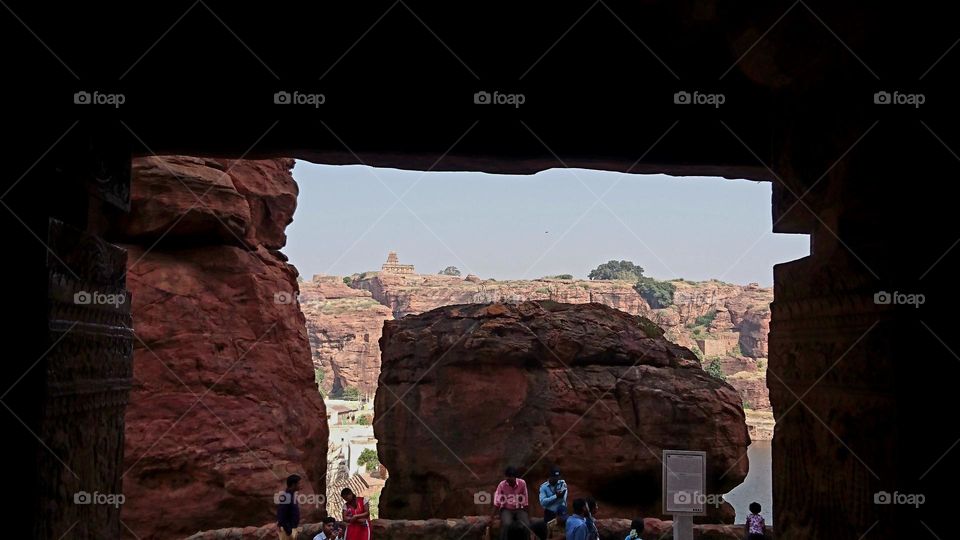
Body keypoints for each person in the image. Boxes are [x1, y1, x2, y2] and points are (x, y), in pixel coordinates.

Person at [492, 465, 531, 540]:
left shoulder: (522, 483)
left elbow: (525, 500)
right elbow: (497, 502)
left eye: (511, 476)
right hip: (507, 509)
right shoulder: (502, 485)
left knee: (527, 525)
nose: (509, 478)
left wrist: (528, 516)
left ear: (515, 477)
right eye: (508, 476)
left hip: (519, 509)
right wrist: (492, 517)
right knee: (506, 524)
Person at [277, 474, 302, 540]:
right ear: (294, 484)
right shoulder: (286, 496)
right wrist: (288, 530)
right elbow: (281, 515)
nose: (300, 485)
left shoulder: (292, 496)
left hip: (292, 529)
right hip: (287, 531)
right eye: (298, 483)